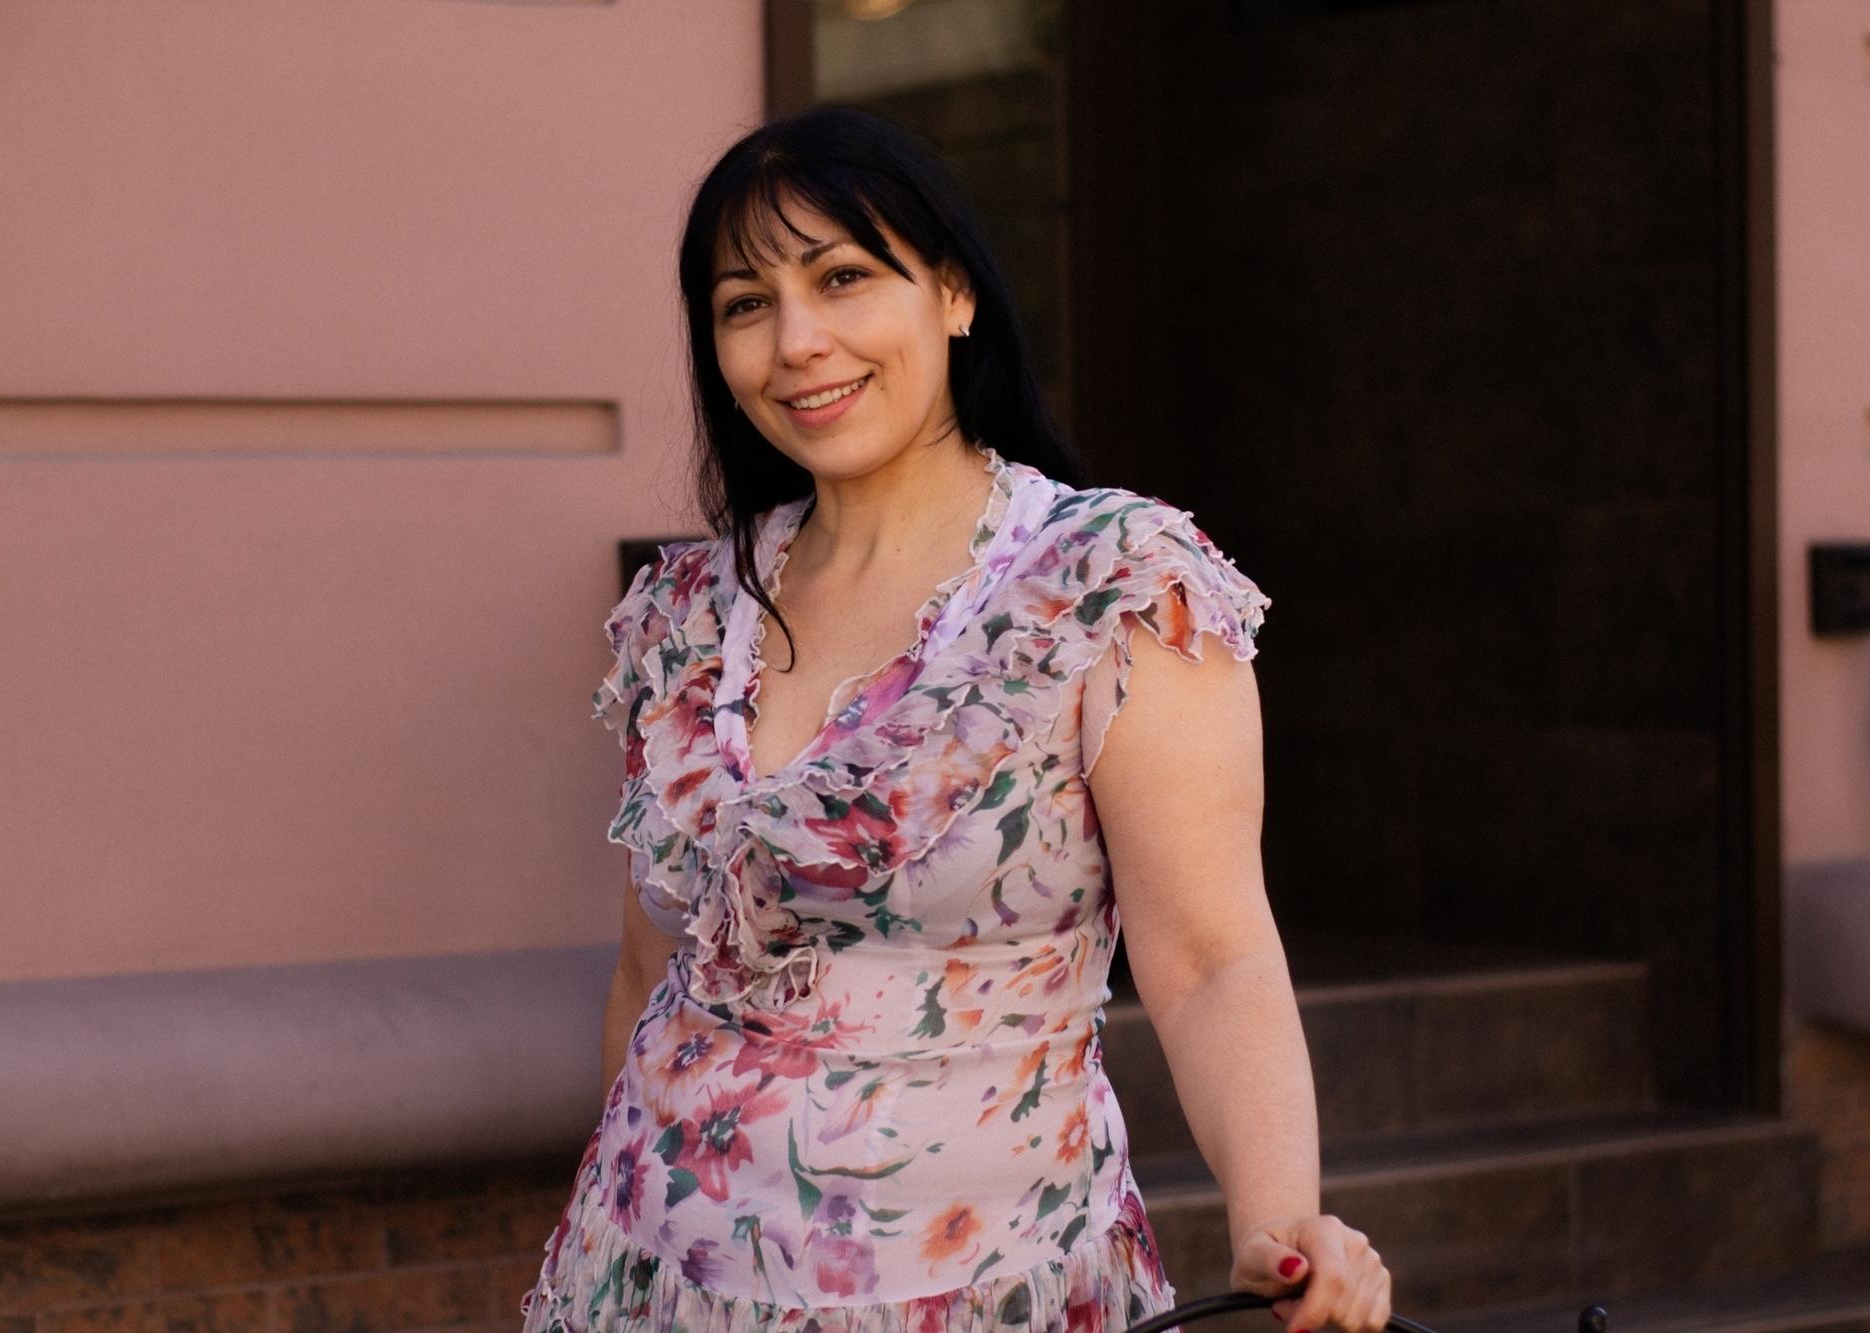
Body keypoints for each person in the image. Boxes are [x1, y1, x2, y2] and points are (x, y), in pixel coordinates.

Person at [520, 104, 1393, 1333]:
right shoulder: (683, 612)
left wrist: (1277, 1218)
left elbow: (1209, 959)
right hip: (645, 1279)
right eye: (745, 303)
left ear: (953, 293)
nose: (797, 341)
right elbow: (649, 966)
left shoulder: (1104, 583)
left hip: (977, 1293)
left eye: (841, 277)